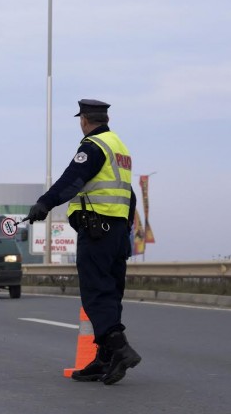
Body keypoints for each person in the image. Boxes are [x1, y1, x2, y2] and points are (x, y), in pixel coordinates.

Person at [26, 99, 141, 385]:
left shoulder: (93, 146)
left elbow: (72, 179)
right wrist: (125, 227)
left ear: (84, 120)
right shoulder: (120, 147)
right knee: (111, 291)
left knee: (95, 292)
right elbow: (129, 193)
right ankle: (105, 359)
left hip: (97, 231)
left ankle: (119, 348)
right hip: (117, 230)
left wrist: (44, 203)